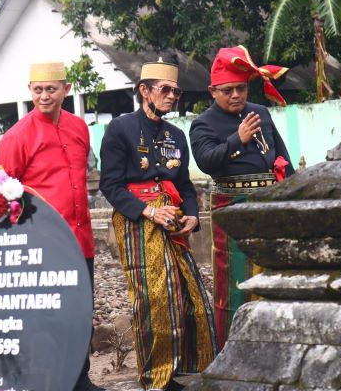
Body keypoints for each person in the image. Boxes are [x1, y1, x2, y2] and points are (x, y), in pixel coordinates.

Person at [99, 59, 218, 391]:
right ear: (144, 91)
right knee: (156, 298)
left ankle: (190, 366)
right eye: (165, 90)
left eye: (175, 91)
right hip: (139, 222)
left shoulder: (176, 135)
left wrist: (192, 216)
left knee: (193, 295)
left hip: (174, 219)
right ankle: (157, 377)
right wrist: (150, 212)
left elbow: (184, 186)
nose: (171, 96)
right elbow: (110, 186)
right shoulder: (120, 129)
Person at [0, 62, 104, 391]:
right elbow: (2, 193)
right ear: (30, 91)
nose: (44, 96)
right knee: (45, 315)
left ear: (66, 90)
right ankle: (49, 380)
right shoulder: (17, 136)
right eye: (38, 90)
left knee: (80, 311)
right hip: (41, 244)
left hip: (81, 238)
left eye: (51, 89)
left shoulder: (79, 128)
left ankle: (80, 376)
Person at [189, 45, 295, 350]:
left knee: (274, 276)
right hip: (231, 208)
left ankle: (273, 347)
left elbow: (282, 158)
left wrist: (291, 195)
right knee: (232, 283)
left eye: (241, 88)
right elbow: (207, 161)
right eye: (228, 90)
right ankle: (231, 352)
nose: (236, 95)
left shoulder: (259, 112)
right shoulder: (203, 124)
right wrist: (238, 140)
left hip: (268, 205)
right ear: (212, 91)